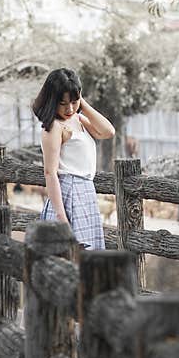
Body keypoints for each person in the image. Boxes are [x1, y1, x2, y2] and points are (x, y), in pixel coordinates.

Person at [32, 68, 115, 250]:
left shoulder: (78, 119)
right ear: (52, 101)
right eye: (62, 103)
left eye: (73, 102)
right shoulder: (54, 127)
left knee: (88, 262)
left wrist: (81, 102)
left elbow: (108, 131)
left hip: (86, 193)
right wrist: (62, 218)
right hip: (68, 194)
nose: (69, 108)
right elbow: (50, 173)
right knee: (72, 260)